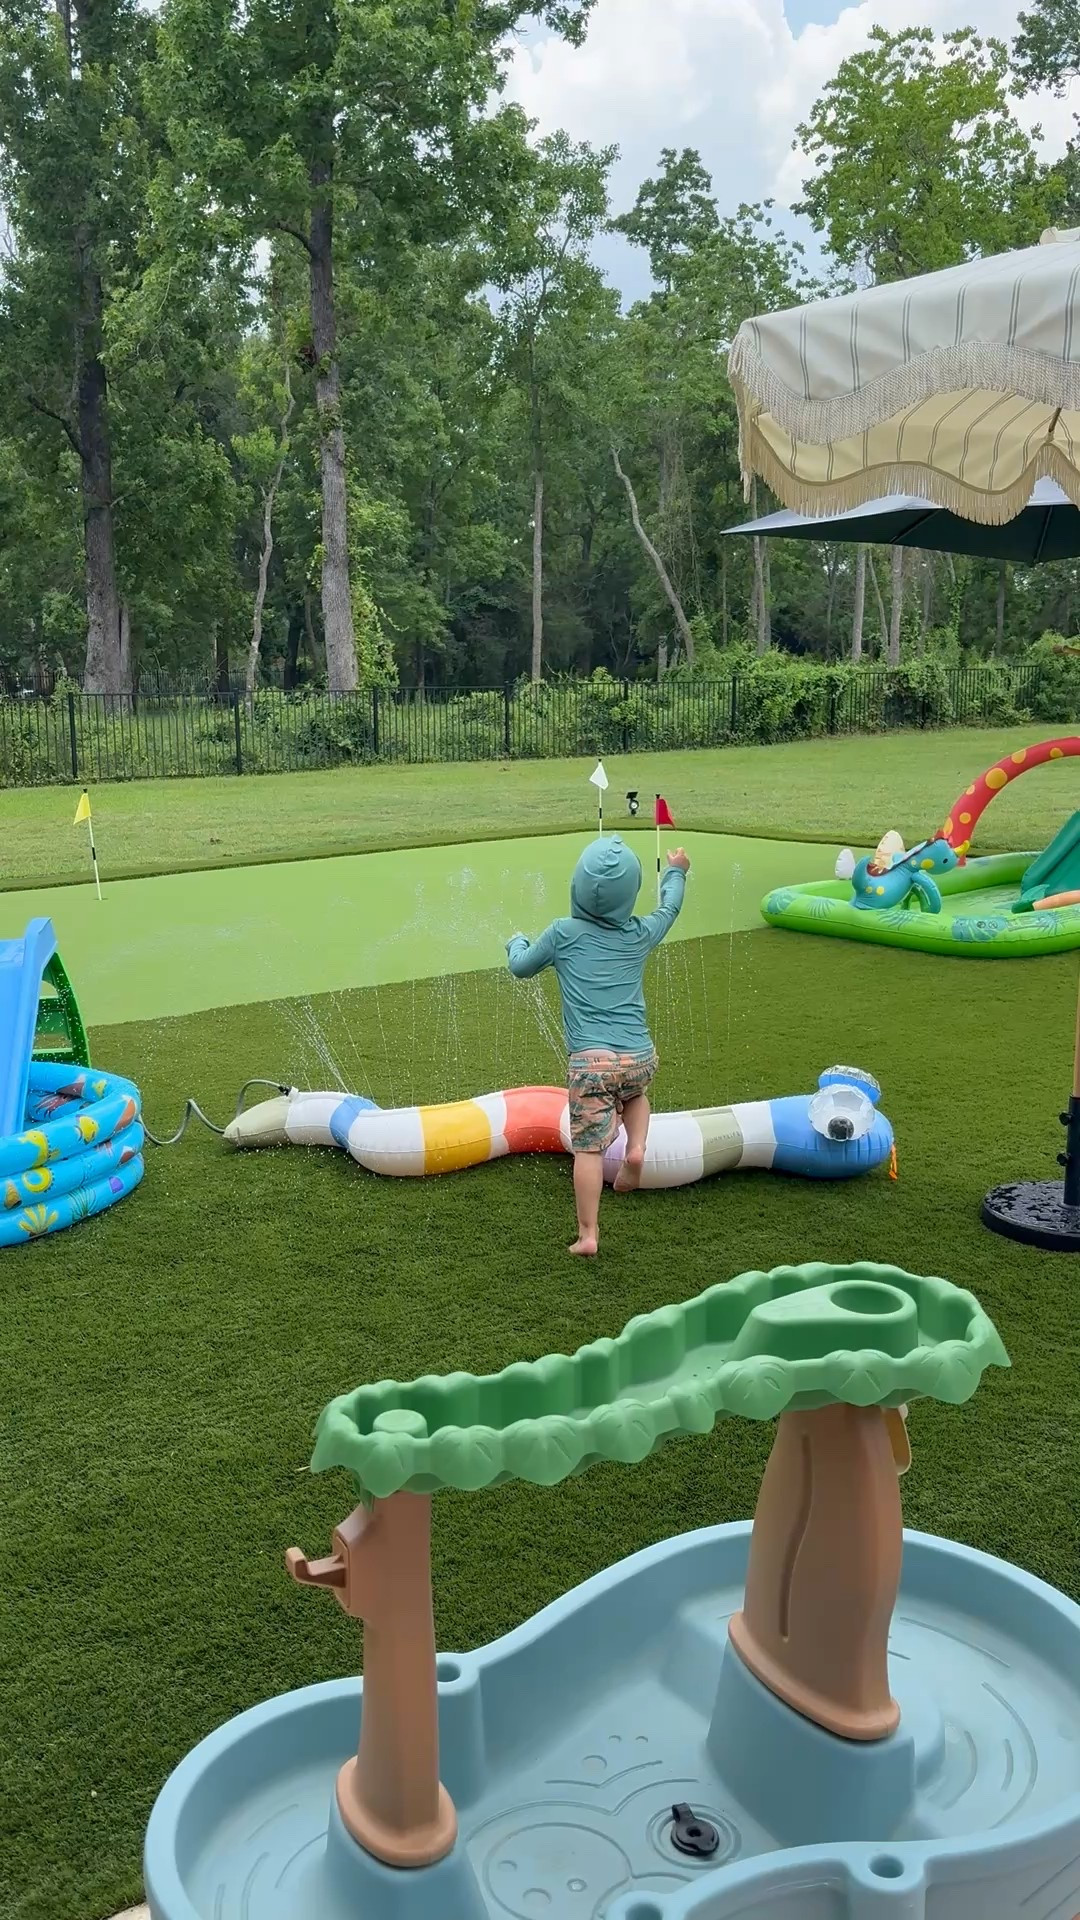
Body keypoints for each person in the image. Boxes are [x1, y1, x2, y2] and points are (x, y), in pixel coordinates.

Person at [506, 837, 690, 1256]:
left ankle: (588, 1234)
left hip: (592, 1065)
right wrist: (677, 870)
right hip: (639, 1056)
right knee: (636, 1094)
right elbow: (670, 908)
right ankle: (637, 1148)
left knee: (588, 1150)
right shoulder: (640, 932)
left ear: (577, 887)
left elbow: (521, 968)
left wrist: (514, 942)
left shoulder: (562, 933)